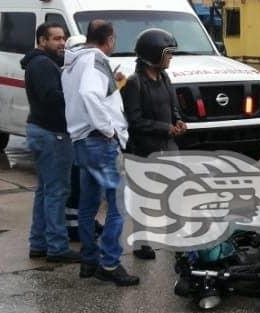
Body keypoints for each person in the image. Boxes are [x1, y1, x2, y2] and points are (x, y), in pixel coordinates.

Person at [62, 21, 138, 286]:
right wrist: (108, 130)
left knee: (88, 205)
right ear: (109, 39)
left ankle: (89, 260)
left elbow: (87, 94)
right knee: (118, 205)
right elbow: (88, 94)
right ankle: (109, 263)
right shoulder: (95, 60)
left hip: (82, 141)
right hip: (99, 142)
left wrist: (113, 85)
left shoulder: (74, 62)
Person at [121, 28, 187, 261]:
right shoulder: (134, 83)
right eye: (167, 53)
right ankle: (142, 243)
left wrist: (178, 121)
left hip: (168, 146)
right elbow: (135, 121)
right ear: (153, 53)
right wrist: (164, 128)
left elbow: (173, 106)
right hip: (144, 149)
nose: (171, 57)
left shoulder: (165, 78)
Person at [22, 22, 81, 263]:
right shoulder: (44, 65)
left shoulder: (40, 63)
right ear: (42, 41)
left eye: (63, 38)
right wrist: (77, 96)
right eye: (55, 39)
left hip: (41, 130)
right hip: (52, 134)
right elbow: (52, 98)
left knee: (45, 191)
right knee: (57, 192)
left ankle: (39, 243)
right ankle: (57, 247)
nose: (61, 43)